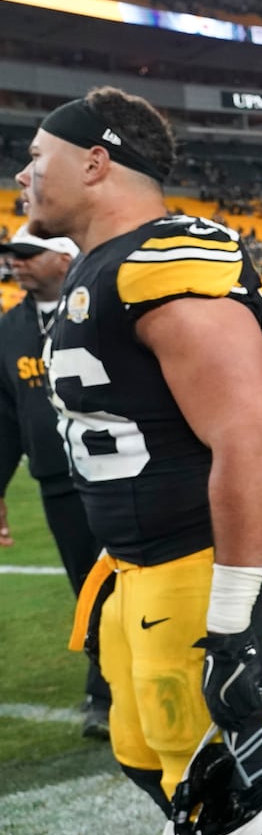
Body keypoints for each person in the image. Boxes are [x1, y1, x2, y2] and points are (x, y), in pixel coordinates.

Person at [19, 87, 262, 810]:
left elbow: (248, 440)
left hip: (195, 563)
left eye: (35, 157)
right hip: (132, 566)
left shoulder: (167, 257)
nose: (22, 174)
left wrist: (235, 621)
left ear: (95, 161)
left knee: (219, 799)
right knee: (142, 756)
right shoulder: (96, 264)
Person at [0, 226, 111, 738]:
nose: (17, 263)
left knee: (132, 580)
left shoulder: (102, 307)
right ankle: (105, 688)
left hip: (118, 475)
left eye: (29, 254)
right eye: (13, 256)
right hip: (57, 483)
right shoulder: (8, 329)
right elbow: (5, 419)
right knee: (85, 590)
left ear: (65, 260)